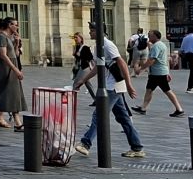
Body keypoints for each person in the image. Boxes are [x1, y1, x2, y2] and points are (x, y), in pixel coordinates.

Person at [74, 22, 145, 158]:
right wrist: (83, 80)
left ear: (99, 31)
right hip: (111, 85)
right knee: (123, 118)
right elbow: (97, 67)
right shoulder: (98, 46)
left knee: (99, 114)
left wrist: (129, 85)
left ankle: (85, 143)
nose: (90, 33)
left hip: (114, 86)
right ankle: (137, 147)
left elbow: (121, 63)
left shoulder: (107, 45)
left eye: (92, 30)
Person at [0, 17, 25, 131]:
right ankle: (17, 123)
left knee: (10, 94)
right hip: (4, 69)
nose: (17, 27)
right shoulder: (1, 37)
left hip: (11, 67)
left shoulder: (9, 38)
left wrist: (16, 43)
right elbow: (3, 55)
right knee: (6, 94)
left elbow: (15, 55)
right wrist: (15, 70)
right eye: (15, 24)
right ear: (9, 25)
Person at [136, 28, 185, 117]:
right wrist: (167, 72)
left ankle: (179, 109)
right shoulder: (161, 45)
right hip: (159, 72)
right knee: (150, 90)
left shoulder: (156, 46)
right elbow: (163, 60)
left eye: (150, 36)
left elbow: (151, 60)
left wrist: (140, 68)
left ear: (155, 36)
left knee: (166, 90)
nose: (149, 38)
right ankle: (143, 108)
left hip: (157, 73)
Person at [178, 29, 193, 94]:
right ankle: (191, 87)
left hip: (187, 55)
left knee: (192, 70)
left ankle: (192, 86)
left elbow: (182, 48)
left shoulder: (185, 38)